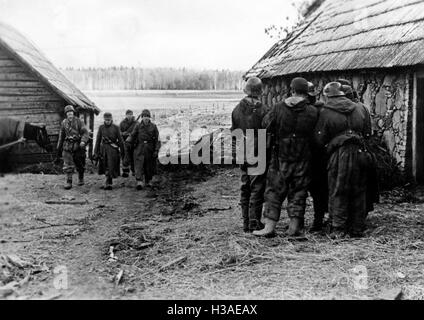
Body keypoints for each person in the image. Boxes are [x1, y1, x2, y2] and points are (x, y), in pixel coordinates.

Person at [254, 77, 318, 238]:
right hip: (303, 157)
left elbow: (265, 124)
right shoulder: (312, 111)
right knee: (298, 192)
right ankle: (294, 228)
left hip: (280, 157)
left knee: (274, 191)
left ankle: (269, 227)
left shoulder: (278, 108)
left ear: (292, 90)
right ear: (306, 92)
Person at [315, 82, 372, 238]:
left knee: (338, 189)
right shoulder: (359, 107)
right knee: (359, 190)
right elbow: (367, 133)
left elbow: (319, 138)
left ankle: (338, 229)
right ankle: (357, 228)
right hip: (360, 153)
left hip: (339, 153)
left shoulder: (326, 111)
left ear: (328, 96)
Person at [231, 77, 268, 233]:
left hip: (242, 151)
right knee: (257, 188)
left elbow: (234, 133)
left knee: (245, 187)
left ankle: (246, 223)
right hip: (258, 151)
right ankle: (254, 222)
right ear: (259, 92)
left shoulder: (236, 110)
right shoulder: (264, 110)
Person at [307, 82, 329, 232]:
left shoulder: (314, 111)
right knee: (320, 189)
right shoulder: (323, 110)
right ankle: (320, 218)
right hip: (321, 154)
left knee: (316, 189)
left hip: (314, 155)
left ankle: (318, 220)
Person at [56, 105, 89, 190]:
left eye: (71, 113)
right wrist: (59, 147)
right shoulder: (64, 122)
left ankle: (81, 178)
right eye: (68, 113)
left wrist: (83, 141)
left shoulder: (79, 121)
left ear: (73, 113)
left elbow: (85, 132)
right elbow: (61, 135)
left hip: (78, 145)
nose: (70, 115)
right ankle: (69, 181)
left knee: (80, 162)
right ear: (66, 114)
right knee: (67, 164)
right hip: (67, 145)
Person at [128, 109, 160, 190]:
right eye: (144, 116)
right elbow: (133, 135)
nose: (146, 118)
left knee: (149, 165)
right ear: (142, 117)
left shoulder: (153, 127)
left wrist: (156, 150)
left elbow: (157, 140)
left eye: (147, 117)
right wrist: (128, 142)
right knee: (139, 164)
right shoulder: (138, 126)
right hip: (139, 147)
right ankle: (139, 181)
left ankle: (148, 181)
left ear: (150, 118)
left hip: (149, 148)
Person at [94, 113, 125, 190]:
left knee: (111, 165)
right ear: (104, 119)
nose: (107, 121)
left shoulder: (116, 127)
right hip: (103, 149)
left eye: (109, 120)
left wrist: (123, 151)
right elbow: (98, 140)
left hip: (113, 150)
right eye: (106, 120)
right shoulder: (101, 127)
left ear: (111, 119)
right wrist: (95, 152)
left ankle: (109, 182)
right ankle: (108, 181)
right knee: (104, 165)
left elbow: (120, 140)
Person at [120, 110, 138, 178]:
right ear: (126, 115)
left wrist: (132, 135)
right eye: (128, 114)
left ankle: (134, 171)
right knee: (125, 156)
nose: (129, 116)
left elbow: (138, 132)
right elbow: (119, 132)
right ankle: (125, 171)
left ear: (132, 115)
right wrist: (123, 133)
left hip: (133, 142)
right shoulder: (122, 123)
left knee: (133, 156)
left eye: (130, 114)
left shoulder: (136, 123)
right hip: (125, 142)